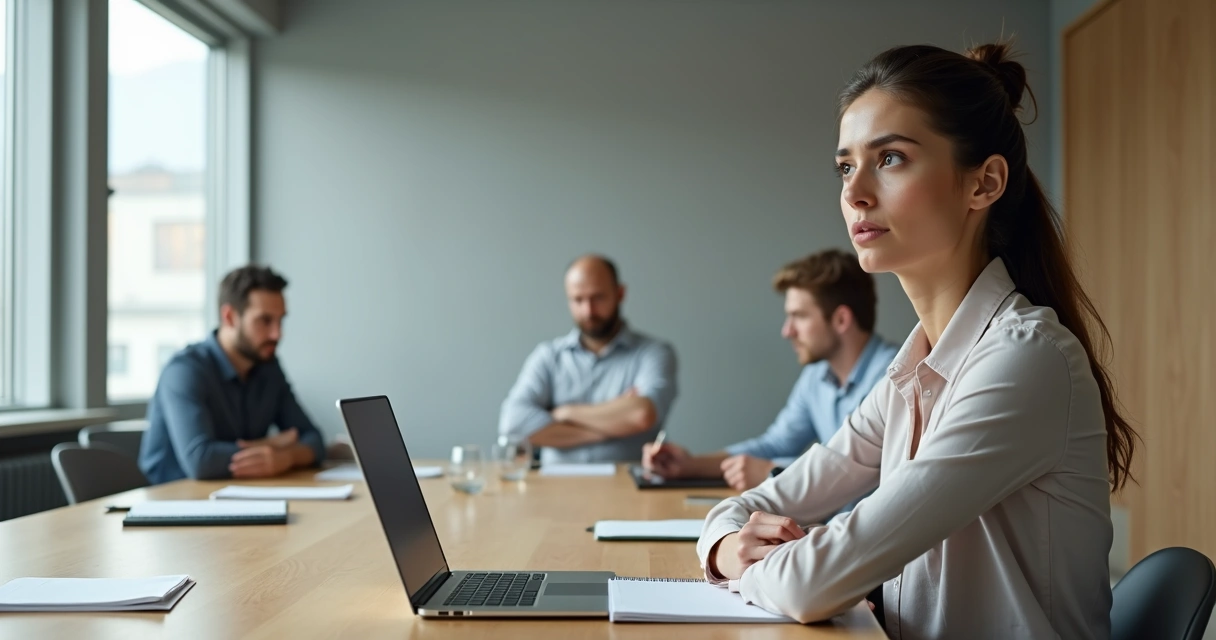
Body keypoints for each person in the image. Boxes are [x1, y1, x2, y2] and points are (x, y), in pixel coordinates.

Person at [696, 42, 1137, 639]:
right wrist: (724, 546)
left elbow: (810, 585)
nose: (855, 192)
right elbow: (750, 505)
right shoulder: (914, 370)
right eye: (846, 167)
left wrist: (752, 565)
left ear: (984, 183)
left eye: (891, 158)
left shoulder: (1024, 361)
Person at [642, 249, 898, 493]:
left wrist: (775, 472)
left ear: (841, 319)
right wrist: (690, 466)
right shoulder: (817, 375)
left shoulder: (895, 378)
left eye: (799, 316)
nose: (787, 331)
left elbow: (875, 476)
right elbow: (776, 444)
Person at [139, 265, 326, 484]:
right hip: (172, 497)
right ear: (229, 317)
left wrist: (286, 456)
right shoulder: (185, 370)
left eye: (280, 320)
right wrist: (272, 444)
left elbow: (315, 440)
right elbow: (201, 461)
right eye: (265, 321)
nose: (277, 334)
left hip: (238, 491)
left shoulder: (268, 367)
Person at [499, 255, 677, 464]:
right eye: (578, 300)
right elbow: (513, 423)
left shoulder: (653, 353)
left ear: (620, 293)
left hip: (628, 481)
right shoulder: (548, 356)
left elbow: (641, 414)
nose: (588, 311)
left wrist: (565, 413)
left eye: (598, 297)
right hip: (555, 482)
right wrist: (615, 425)